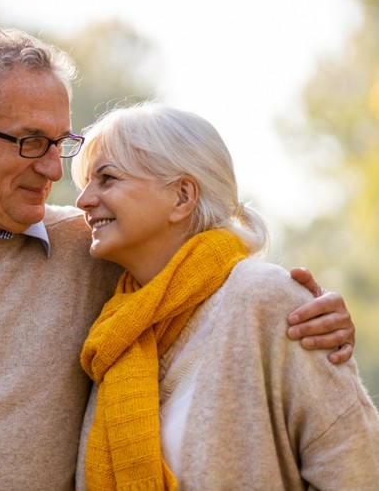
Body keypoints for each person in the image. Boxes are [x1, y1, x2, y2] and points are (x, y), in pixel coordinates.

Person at [0, 25, 356, 490]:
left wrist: (315, 314)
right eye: (29, 141)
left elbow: (202, 267)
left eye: (60, 142)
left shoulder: (98, 247)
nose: (54, 170)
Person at [72, 102, 379, 490]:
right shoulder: (116, 332)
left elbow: (353, 464)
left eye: (107, 179)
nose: (83, 200)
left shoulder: (267, 299)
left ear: (182, 196)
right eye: (86, 183)